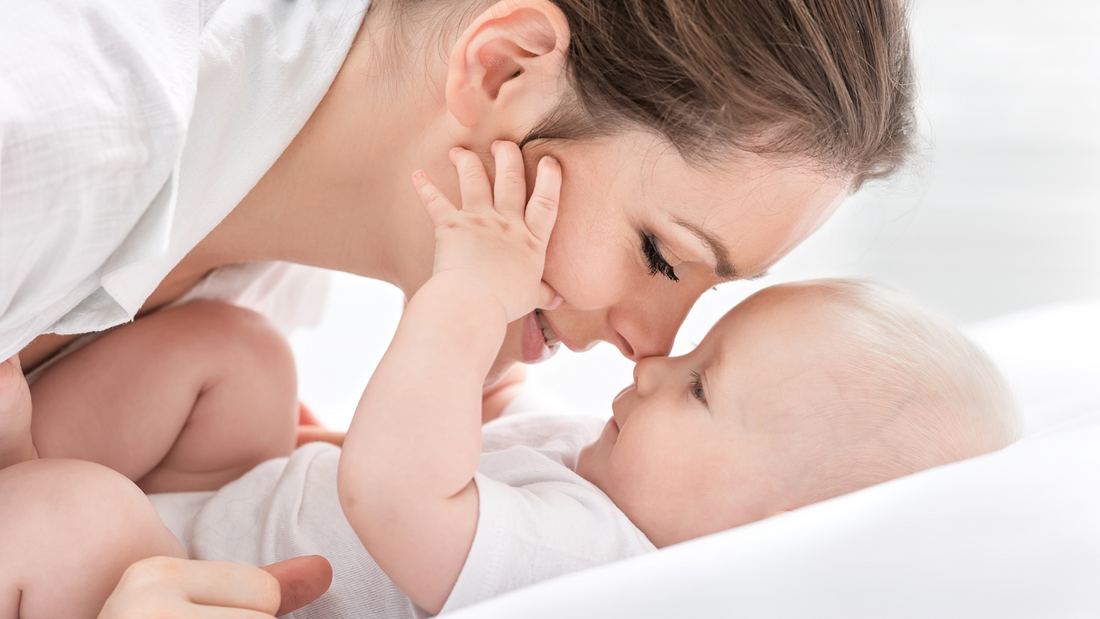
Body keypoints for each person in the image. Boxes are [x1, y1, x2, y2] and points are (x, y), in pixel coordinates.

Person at [1, 0, 915, 613]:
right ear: (505, 69)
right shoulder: (54, 136)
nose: (649, 347)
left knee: (241, 359)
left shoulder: (290, 236)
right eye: (659, 256)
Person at [0, 147, 1018, 618]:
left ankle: (24, 486)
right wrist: (512, 318)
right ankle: (25, 466)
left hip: (191, 585)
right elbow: (482, 417)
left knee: (80, 510)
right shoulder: (605, 469)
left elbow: (396, 491)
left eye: (701, 386)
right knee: (239, 352)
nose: (655, 362)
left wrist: (462, 295)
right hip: (226, 508)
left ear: (765, 524)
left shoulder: (598, 566)